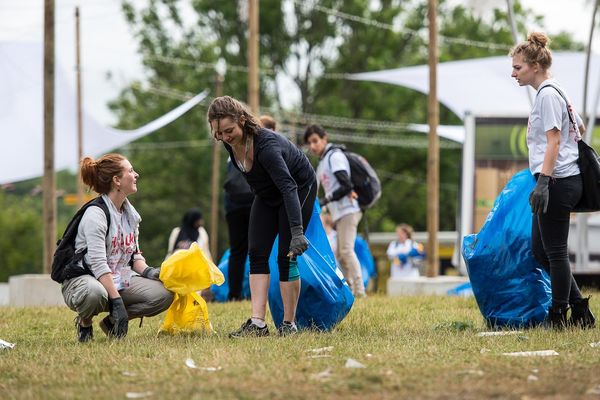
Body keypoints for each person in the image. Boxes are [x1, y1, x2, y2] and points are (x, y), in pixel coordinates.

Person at [208, 96, 317, 337]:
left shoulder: (267, 147)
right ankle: (257, 323)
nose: (225, 137)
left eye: (229, 130)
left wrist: (297, 232)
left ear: (243, 121)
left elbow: (288, 187)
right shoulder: (229, 143)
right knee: (256, 252)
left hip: (297, 189)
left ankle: (289, 324)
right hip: (267, 194)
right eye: (219, 133)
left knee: (285, 256)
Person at [510, 32, 595, 328]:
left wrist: (544, 181)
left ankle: (558, 316)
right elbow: (580, 127)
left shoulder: (546, 94)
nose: (514, 73)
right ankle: (580, 308)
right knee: (539, 249)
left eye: (518, 67)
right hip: (561, 180)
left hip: (557, 182)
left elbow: (554, 142)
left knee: (555, 252)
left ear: (535, 65)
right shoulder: (557, 90)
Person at [61, 154, 174, 342]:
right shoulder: (95, 215)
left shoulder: (131, 215)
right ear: (117, 180)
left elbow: (134, 256)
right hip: (85, 278)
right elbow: (97, 264)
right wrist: (117, 301)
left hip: (118, 277)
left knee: (164, 294)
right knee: (94, 294)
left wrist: (150, 272)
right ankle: (85, 322)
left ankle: (111, 322)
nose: (136, 174)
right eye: (130, 171)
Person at [304, 124, 366, 297]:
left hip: (349, 209)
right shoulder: (323, 162)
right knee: (340, 252)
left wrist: (325, 200)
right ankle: (348, 290)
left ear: (325, 138)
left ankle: (360, 290)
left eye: (315, 141)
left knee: (346, 250)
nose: (313, 146)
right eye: (310, 143)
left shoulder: (335, 157)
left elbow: (346, 185)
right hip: (340, 212)